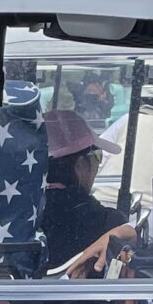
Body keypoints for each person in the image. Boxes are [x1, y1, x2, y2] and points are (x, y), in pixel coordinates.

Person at [43, 109, 135, 276]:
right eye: (97, 157)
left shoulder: (18, 218)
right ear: (80, 165)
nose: (97, 166)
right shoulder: (109, 224)